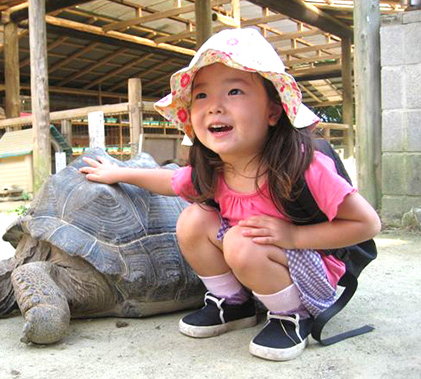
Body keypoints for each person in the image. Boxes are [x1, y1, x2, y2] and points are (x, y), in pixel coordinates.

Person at [79, 28, 381, 361]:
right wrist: (118, 173)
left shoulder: (304, 166)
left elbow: (367, 224)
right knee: (193, 219)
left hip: (316, 271)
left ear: (273, 111)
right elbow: (168, 181)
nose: (214, 108)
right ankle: (233, 304)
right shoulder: (216, 171)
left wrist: (294, 235)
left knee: (241, 240)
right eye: (201, 96)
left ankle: (292, 316)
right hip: (264, 257)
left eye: (234, 91)